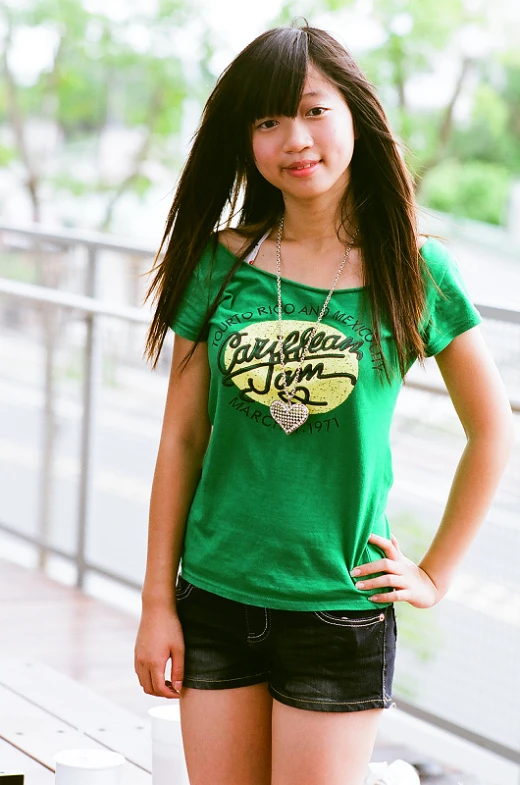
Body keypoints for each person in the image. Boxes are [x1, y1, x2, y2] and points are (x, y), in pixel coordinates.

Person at [134, 22, 513, 785]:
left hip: (339, 610)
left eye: (313, 110)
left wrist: (434, 575)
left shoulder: (415, 268)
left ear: (355, 117)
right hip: (213, 595)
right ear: (246, 142)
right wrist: (156, 603)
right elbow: (181, 437)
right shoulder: (220, 262)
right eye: (267, 120)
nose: (294, 138)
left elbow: (493, 428)